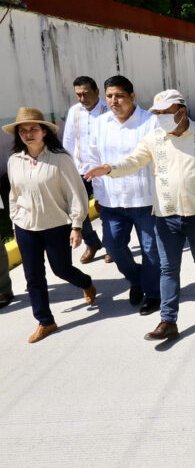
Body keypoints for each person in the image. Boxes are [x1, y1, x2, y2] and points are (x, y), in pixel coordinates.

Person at [86, 90, 195, 341]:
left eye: (165, 113)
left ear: (181, 111)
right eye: (156, 113)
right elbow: (134, 161)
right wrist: (110, 168)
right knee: (168, 268)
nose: (160, 118)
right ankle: (168, 320)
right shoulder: (154, 138)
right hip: (166, 215)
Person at [3, 107, 96, 343]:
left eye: (33, 129)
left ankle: (85, 283)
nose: (28, 134)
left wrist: (76, 226)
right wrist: (15, 220)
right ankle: (45, 321)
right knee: (33, 276)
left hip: (56, 225)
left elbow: (77, 194)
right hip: (26, 227)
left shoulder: (60, 159)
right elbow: (14, 194)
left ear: (44, 131)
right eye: (23, 131)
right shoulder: (14, 160)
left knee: (61, 270)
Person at [86, 75, 161, 315]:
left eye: (119, 95)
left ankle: (152, 293)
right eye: (109, 96)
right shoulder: (100, 123)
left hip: (146, 199)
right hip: (112, 200)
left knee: (151, 250)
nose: (113, 101)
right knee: (113, 245)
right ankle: (136, 279)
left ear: (132, 96)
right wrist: (98, 194)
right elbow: (93, 160)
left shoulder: (150, 122)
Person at [62, 76, 108, 263]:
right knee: (76, 209)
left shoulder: (108, 111)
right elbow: (68, 140)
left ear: (97, 92)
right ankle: (93, 242)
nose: (82, 98)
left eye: (86, 93)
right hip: (80, 170)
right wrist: (66, 166)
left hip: (105, 171)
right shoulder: (75, 111)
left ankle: (113, 245)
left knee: (108, 210)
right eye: (78, 95)